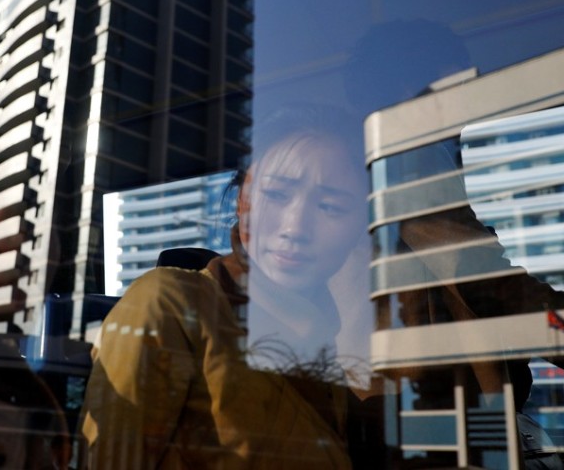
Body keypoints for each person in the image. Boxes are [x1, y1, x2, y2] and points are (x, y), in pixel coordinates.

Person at [81, 106, 382, 469]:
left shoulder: (325, 353)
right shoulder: (169, 306)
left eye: (330, 207)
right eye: (277, 195)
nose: (295, 227)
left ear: (359, 227)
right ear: (242, 201)